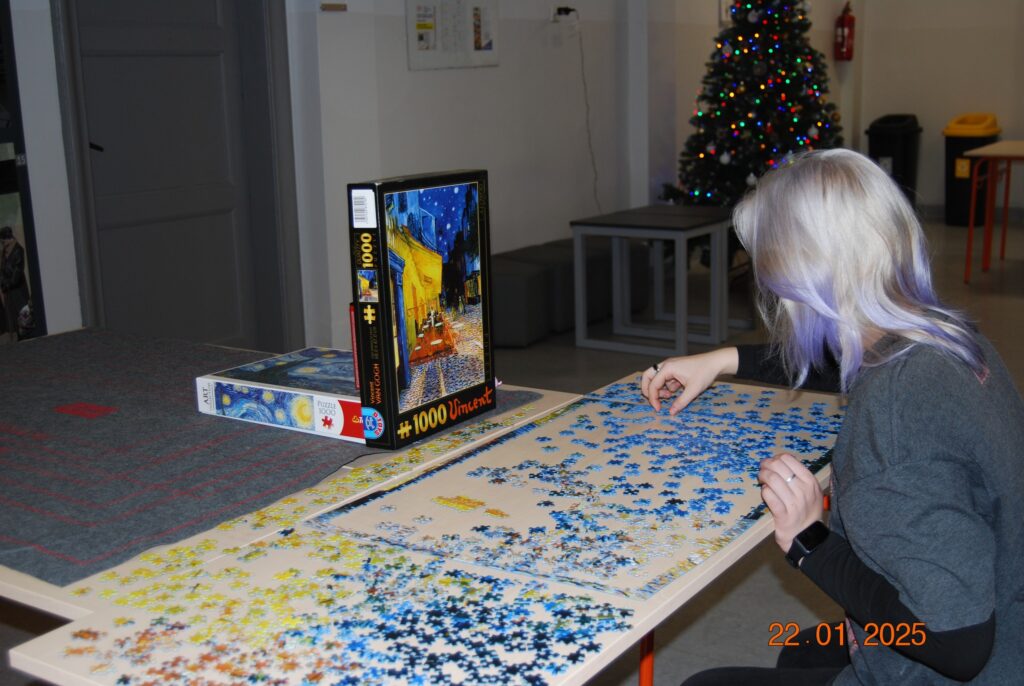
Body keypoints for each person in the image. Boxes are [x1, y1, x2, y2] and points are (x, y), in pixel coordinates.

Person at [641, 149, 1024, 685]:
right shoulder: (947, 336)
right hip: (1011, 616)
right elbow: (845, 359)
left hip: (964, 660)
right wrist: (724, 360)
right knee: (803, 651)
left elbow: (958, 646)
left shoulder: (892, 423)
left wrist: (809, 542)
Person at [0, 225, 30, 342]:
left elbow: (17, 272)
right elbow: (1, 270)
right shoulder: (4, 253)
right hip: (9, 291)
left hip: (18, 290)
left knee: (23, 316)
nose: (2, 243)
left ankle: (26, 336)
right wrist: (3, 282)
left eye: (3, 240)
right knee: (12, 318)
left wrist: (7, 283)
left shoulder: (18, 250)